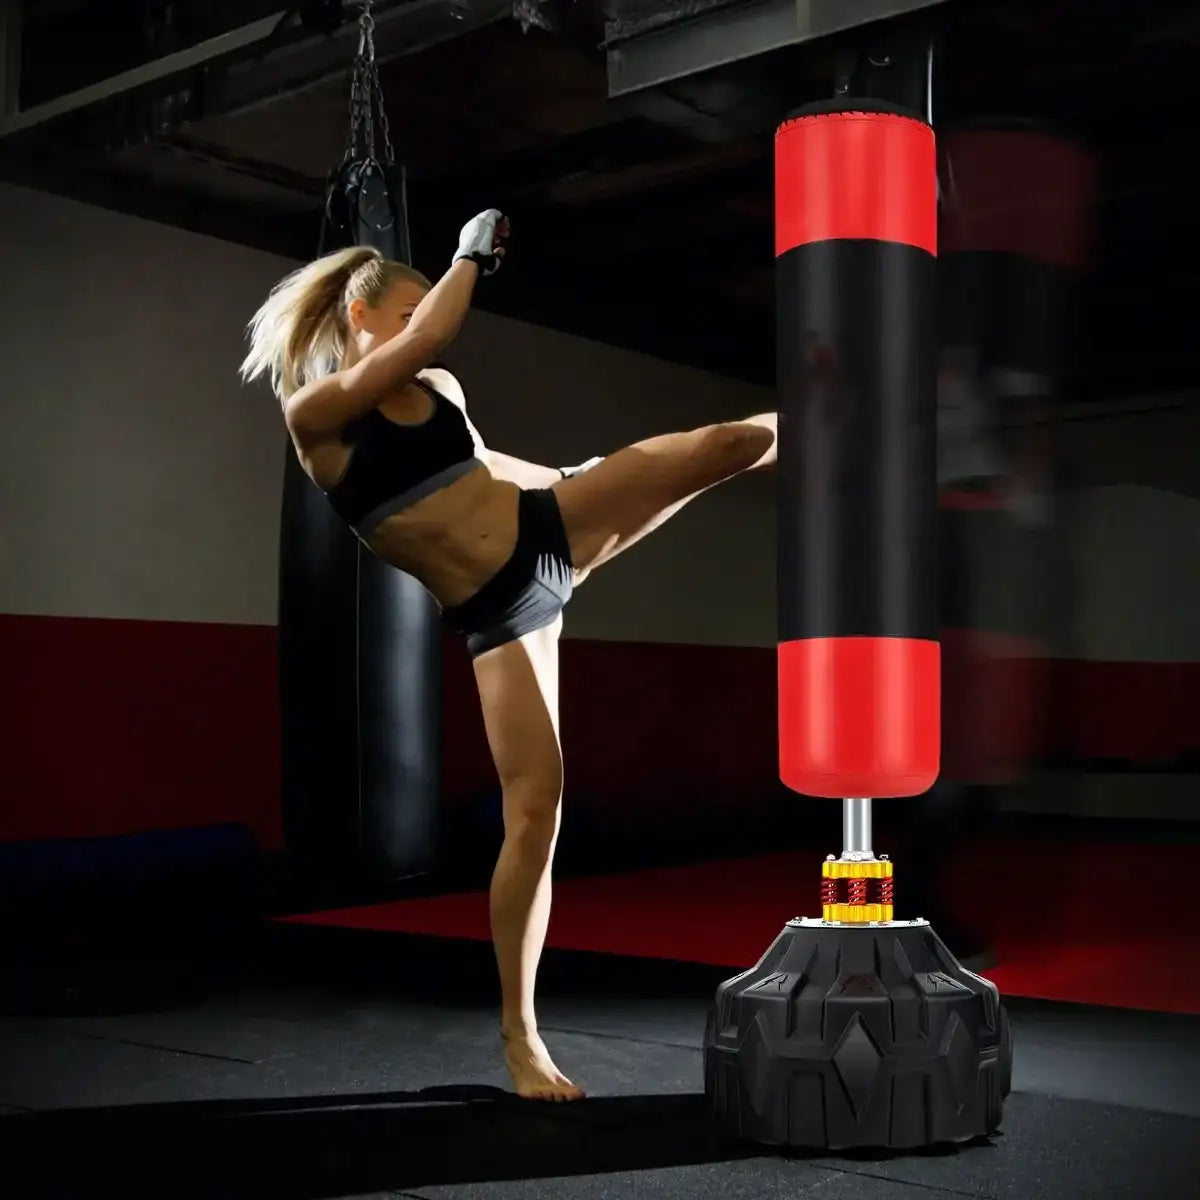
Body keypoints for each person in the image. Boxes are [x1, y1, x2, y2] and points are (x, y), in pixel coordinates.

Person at [241, 210, 778, 1102]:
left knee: (729, 446)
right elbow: (439, 327)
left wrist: (578, 479)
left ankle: (859, 419)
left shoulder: (441, 393)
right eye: (405, 322)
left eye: (424, 319)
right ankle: (520, 1036)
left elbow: (488, 468)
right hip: (502, 608)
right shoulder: (320, 418)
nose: (423, 337)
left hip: (552, 526)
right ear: (359, 321)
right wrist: (466, 256)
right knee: (537, 807)